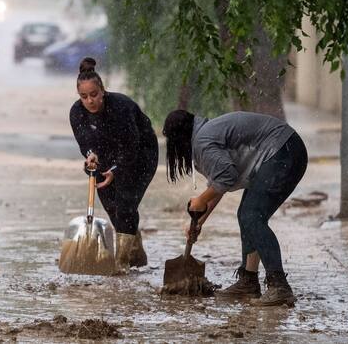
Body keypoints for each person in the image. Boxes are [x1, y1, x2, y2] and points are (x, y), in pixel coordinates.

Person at [162, 109, 308, 306]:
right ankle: (248, 282)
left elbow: (226, 177)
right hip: (284, 150)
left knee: (252, 215)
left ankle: (279, 286)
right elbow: (219, 184)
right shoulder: (207, 134)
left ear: (178, 138)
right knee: (246, 215)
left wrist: (201, 199)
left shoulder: (203, 141)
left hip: (283, 152)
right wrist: (200, 221)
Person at [69, 57, 158, 272]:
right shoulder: (76, 113)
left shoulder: (121, 107)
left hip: (140, 155)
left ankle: (122, 263)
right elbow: (85, 142)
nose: (90, 101)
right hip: (105, 158)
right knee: (112, 206)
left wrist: (115, 170)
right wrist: (90, 155)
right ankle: (135, 249)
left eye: (94, 95)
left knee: (126, 205)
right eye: (84, 97)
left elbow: (131, 146)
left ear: (103, 91)